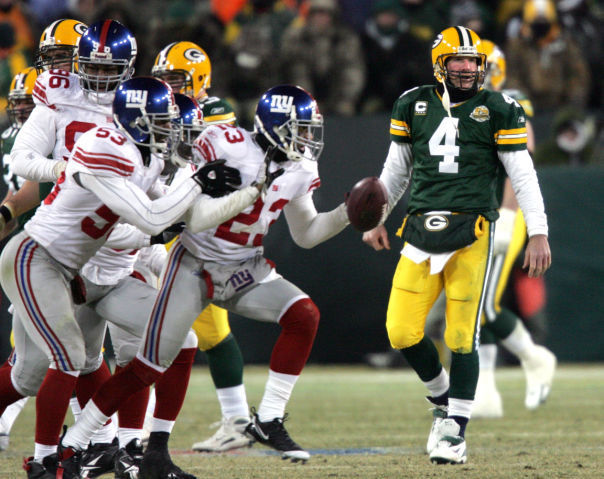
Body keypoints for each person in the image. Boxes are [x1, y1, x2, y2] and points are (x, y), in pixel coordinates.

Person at [58, 84, 350, 470]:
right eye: (302, 128)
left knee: (304, 315)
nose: (309, 138)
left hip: (246, 268)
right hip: (193, 264)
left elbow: (307, 233)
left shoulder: (301, 169)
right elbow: (187, 204)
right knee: (149, 365)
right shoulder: (226, 142)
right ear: (277, 126)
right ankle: (79, 443)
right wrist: (199, 177)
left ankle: (268, 419)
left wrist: (349, 214)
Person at [0, 75, 260, 479]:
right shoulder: (105, 147)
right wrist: (195, 183)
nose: (170, 131)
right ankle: (46, 463)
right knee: (42, 368)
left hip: (81, 270)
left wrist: (247, 194)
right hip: (39, 259)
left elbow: (189, 219)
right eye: (162, 122)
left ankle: (149, 452)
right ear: (135, 120)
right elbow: (152, 219)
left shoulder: (148, 157)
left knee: (175, 335)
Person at [362, 26, 551, 465]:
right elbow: (395, 173)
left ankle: (455, 432)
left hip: (473, 231)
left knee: (462, 335)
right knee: (401, 331)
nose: (468, 68)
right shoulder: (413, 103)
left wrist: (537, 231)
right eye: (458, 61)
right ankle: (444, 400)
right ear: (440, 64)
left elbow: (523, 176)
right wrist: (376, 219)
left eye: (473, 61)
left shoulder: (500, 107)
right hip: (421, 232)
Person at [151, 40, 253, 453]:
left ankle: (135, 429)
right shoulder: (163, 111)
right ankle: (239, 421)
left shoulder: (213, 113)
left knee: (164, 331)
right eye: (164, 80)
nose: (170, 87)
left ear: (199, 78)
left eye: (176, 79)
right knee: (208, 333)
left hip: (194, 229)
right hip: (171, 224)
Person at [468, 38, 556, 418]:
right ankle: (485, 391)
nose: (472, 74)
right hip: (473, 215)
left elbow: (521, 171)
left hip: (503, 216)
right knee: (476, 302)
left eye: (479, 67)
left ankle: (535, 358)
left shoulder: (509, 106)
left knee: (484, 304)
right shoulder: (462, 107)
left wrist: (505, 213)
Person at [504, 0, 591, 112]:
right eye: (536, 23)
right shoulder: (517, 46)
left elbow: (578, 75)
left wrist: (572, 104)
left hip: (560, 107)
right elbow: (511, 76)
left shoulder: (565, 44)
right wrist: (523, 102)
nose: (540, 27)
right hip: (528, 108)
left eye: (544, 22)